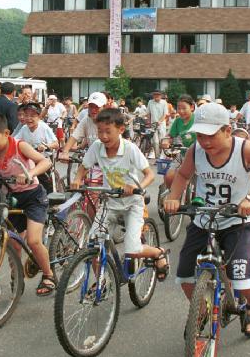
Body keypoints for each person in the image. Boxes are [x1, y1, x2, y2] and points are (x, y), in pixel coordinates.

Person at [164, 103, 250, 337]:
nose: (204, 142)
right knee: (184, 272)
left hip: (237, 219)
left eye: (211, 135)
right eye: (200, 135)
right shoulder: (195, 150)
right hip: (204, 218)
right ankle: (201, 307)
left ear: (227, 130)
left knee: (241, 271)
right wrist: (174, 197)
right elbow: (184, 175)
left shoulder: (244, 149)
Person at [70, 108, 170, 279]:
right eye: (100, 131)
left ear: (121, 130)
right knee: (93, 245)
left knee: (132, 250)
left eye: (108, 131)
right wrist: (77, 179)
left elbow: (150, 174)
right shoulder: (96, 147)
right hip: (109, 203)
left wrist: (136, 187)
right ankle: (100, 282)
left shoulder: (130, 149)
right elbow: (84, 167)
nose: (103, 136)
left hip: (132, 204)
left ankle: (157, 252)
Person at [0, 113, 56, 296]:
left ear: (6, 133)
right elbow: (0, 168)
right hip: (13, 198)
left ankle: (48, 275)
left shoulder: (19, 145)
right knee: (13, 243)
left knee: (33, 240)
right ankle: (17, 275)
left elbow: (45, 161)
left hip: (33, 197)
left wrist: (30, 173)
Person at [61, 92, 106, 157]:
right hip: (93, 159)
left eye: (97, 107)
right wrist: (65, 152)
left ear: (104, 107)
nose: (93, 110)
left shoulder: (110, 121)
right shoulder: (87, 119)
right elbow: (74, 136)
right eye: (91, 106)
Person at [147, 90, 168, 159]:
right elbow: (149, 113)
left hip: (161, 124)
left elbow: (165, 114)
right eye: (155, 95)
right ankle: (157, 158)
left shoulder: (164, 102)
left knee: (162, 141)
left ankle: (162, 155)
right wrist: (148, 122)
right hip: (153, 124)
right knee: (155, 142)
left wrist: (160, 121)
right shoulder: (150, 102)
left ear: (161, 96)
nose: (156, 96)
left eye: (158, 95)